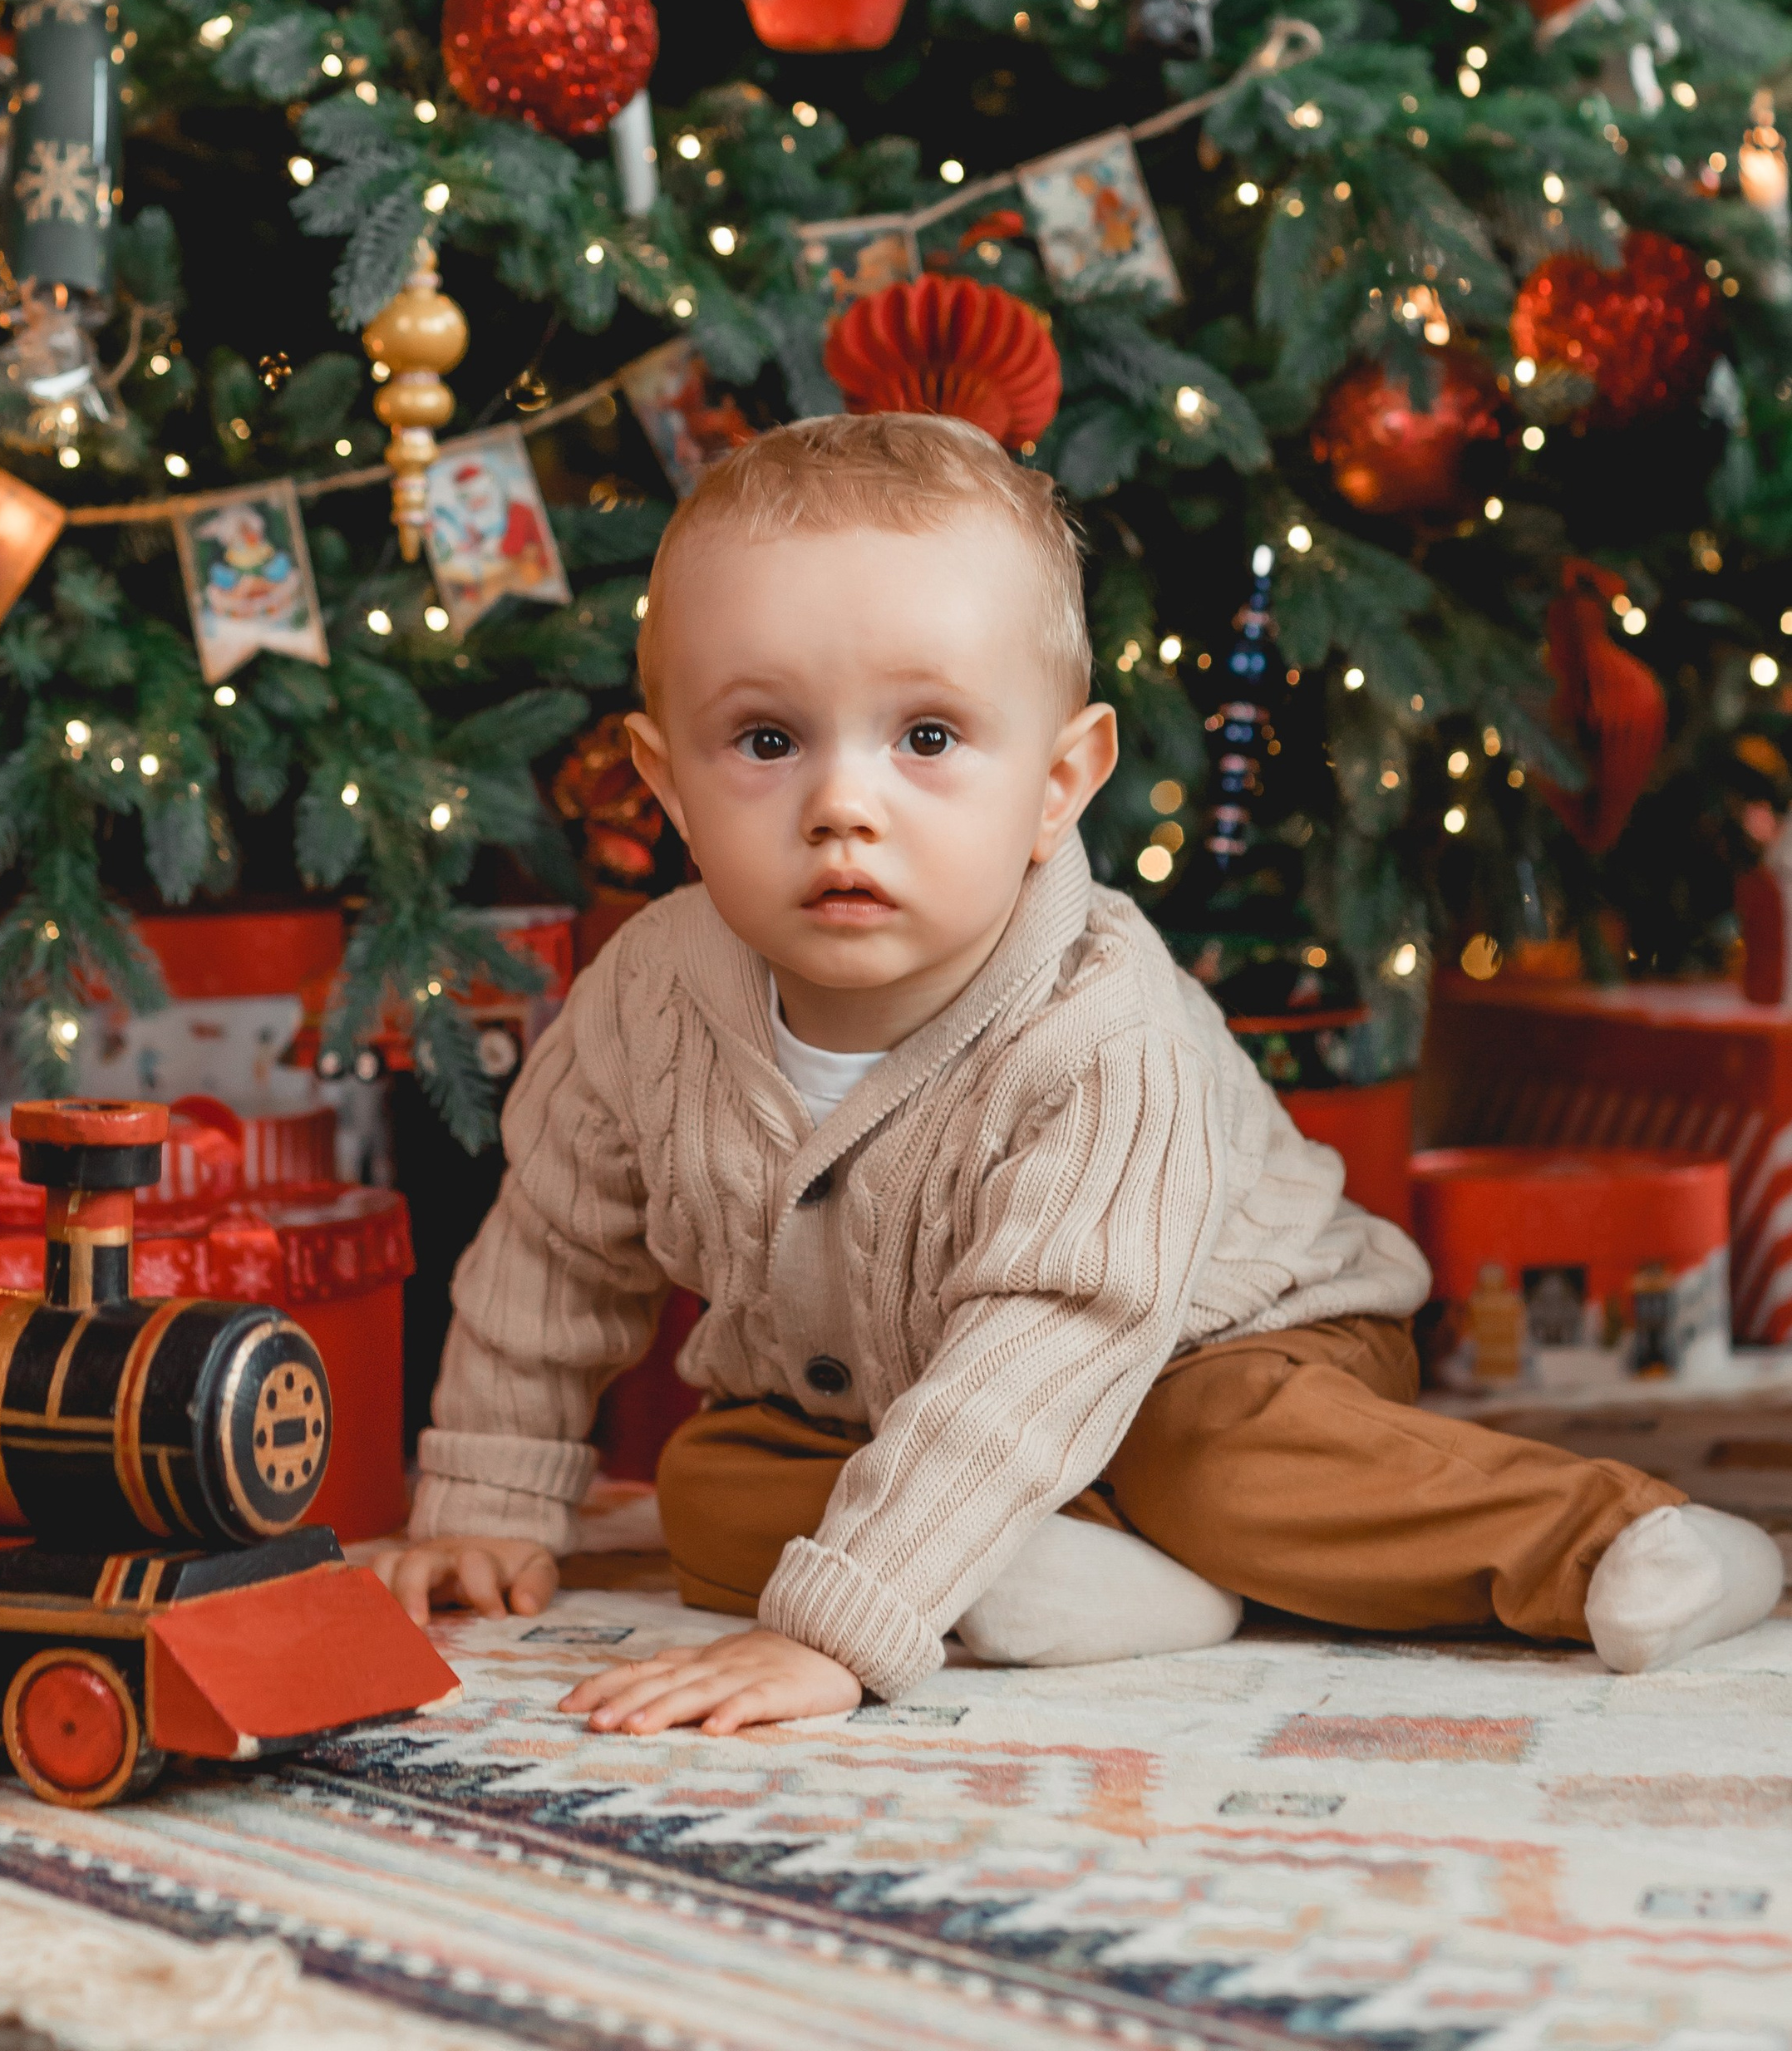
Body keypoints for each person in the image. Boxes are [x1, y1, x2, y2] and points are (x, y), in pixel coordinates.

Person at [369, 416, 1783, 1735]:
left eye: (927, 740)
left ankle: (1620, 1539)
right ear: (664, 784)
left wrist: (836, 1634)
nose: (841, 805)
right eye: (765, 741)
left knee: (1219, 1467)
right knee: (711, 1482)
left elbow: (1059, 1330)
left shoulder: (1098, 1023)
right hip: (878, 1387)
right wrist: (491, 1495)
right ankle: (1053, 1572)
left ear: (1057, 784)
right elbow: (553, 1254)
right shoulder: (647, 999)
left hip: (1224, 1343)